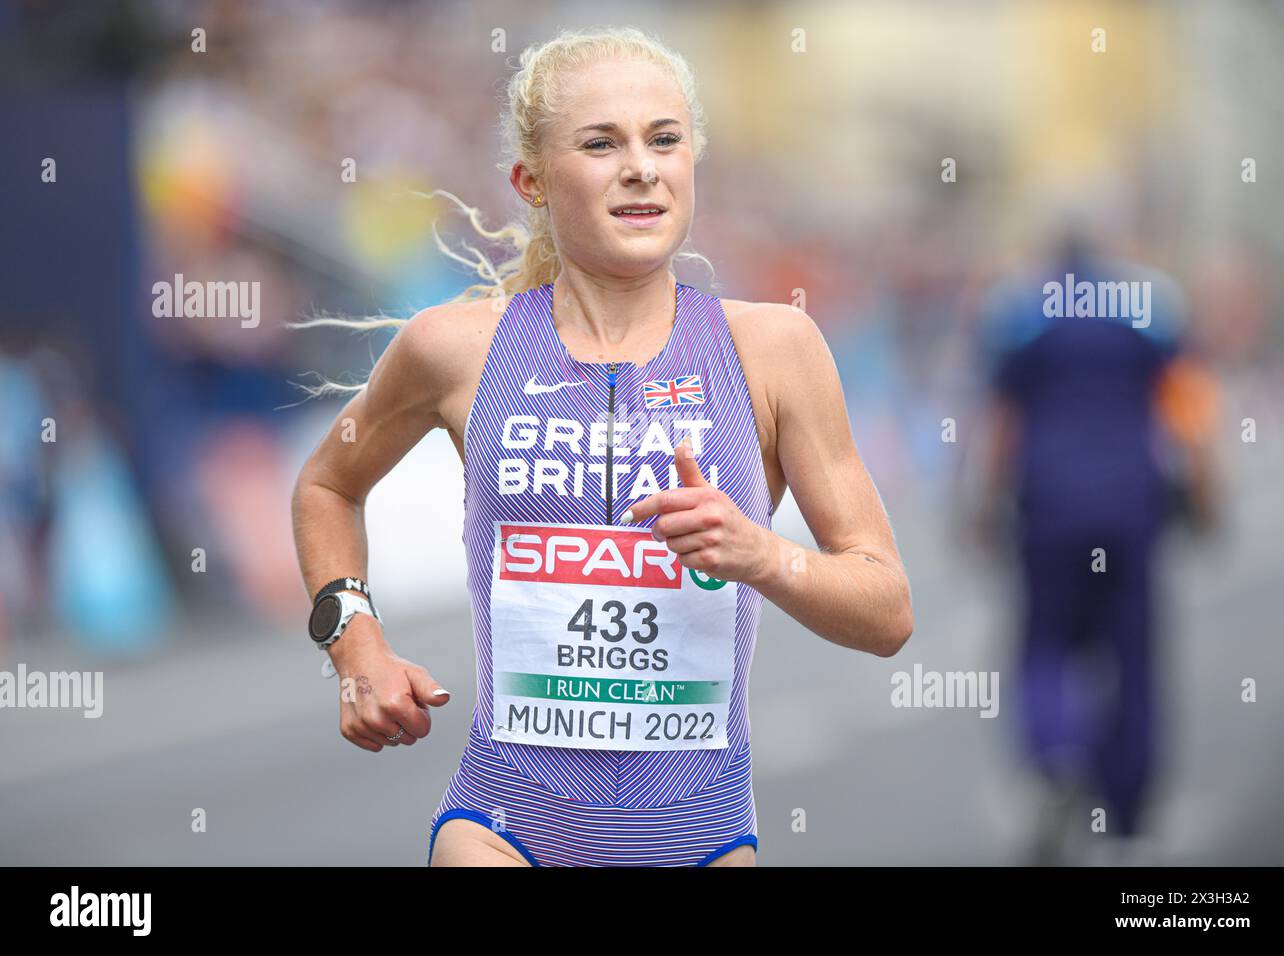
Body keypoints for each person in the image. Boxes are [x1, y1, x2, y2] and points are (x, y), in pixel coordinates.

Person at [290, 27, 912, 868]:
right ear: (532, 180)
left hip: (699, 839)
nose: (642, 166)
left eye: (665, 139)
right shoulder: (454, 350)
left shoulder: (776, 349)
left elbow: (887, 612)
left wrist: (762, 554)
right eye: (600, 144)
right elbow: (328, 485)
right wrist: (355, 644)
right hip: (504, 830)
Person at [974, 228, 1218, 865]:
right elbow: (1186, 406)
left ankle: (1053, 758)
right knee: (1132, 657)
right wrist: (1205, 488)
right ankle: (1128, 815)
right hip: (1131, 507)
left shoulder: (1021, 310)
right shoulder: (1151, 307)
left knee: (1046, 643)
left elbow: (1002, 418)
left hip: (1049, 506)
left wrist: (978, 505)